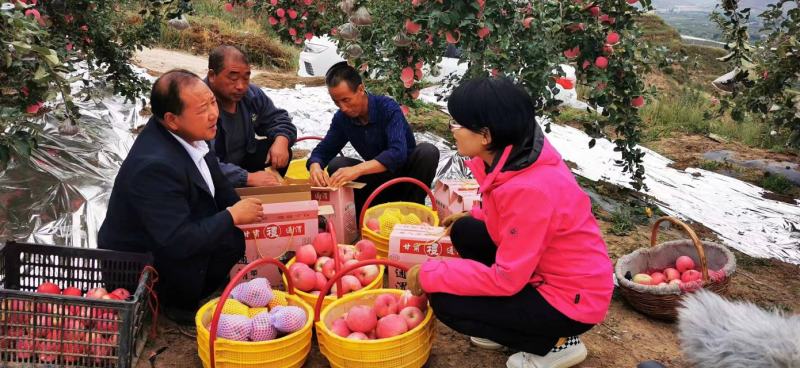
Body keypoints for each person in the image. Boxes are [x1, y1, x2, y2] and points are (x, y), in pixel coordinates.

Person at [405, 78, 614, 368]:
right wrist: (474, 215)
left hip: (569, 301)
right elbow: (511, 218)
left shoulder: (531, 189)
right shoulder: (512, 157)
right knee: (465, 230)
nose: (451, 130)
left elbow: (506, 279)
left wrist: (432, 273)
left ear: (485, 135)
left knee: (445, 301)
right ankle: (512, 324)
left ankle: (555, 344)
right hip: (543, 268)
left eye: (456, 123)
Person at [98, 69, 264, 325]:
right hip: (144, 265)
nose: (213, 114)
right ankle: (174, 305)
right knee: (225, 231)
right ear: (172, 119)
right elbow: (176, 241)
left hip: (171, 238)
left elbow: (219, 185)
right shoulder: (154, 167)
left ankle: (194, 292)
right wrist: (232, 215)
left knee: (229, 235)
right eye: (202, 110)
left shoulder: (192, 134)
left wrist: (242, 208)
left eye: (212, 102)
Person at [307, 61, 439, 214]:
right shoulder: (342, 118)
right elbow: (324, 150)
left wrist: (358, 169)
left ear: (361, 89)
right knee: (338, 164)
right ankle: (369, 210)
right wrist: (315, 165)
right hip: (377, 181)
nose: (342, 107)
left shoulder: (388, 108)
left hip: (406, 179)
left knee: (427, 152)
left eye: (346, 100)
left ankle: (412, 210)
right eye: (336, 102)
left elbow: (397, 153)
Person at [206, 45, 297, 187]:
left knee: (278, 149)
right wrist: (247, 178)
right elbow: (201, 162)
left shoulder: (251, 95)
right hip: (213, 174)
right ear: (212, 76)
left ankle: (267, 198)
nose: (241, 86)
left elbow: (278, 119)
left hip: (242, 161)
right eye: (233, 78)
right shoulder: (198, 103)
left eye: (246, 78)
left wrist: (282, 140)